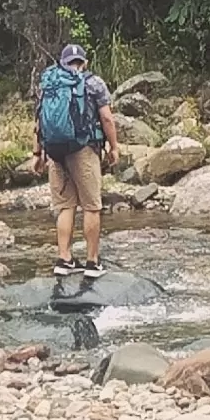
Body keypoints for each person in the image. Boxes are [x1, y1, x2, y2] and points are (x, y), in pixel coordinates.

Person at [33, 43, 120, 278]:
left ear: (62, 62)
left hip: (56, 152)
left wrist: (37, 153)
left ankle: (65, 260)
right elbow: (107, 119)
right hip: (84, 149)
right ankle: (92, 263)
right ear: (85, 62)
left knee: (65, 206)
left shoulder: (49, 83)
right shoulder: (93, 82)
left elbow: (40, 120)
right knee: (91, 206)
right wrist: (114, 147)